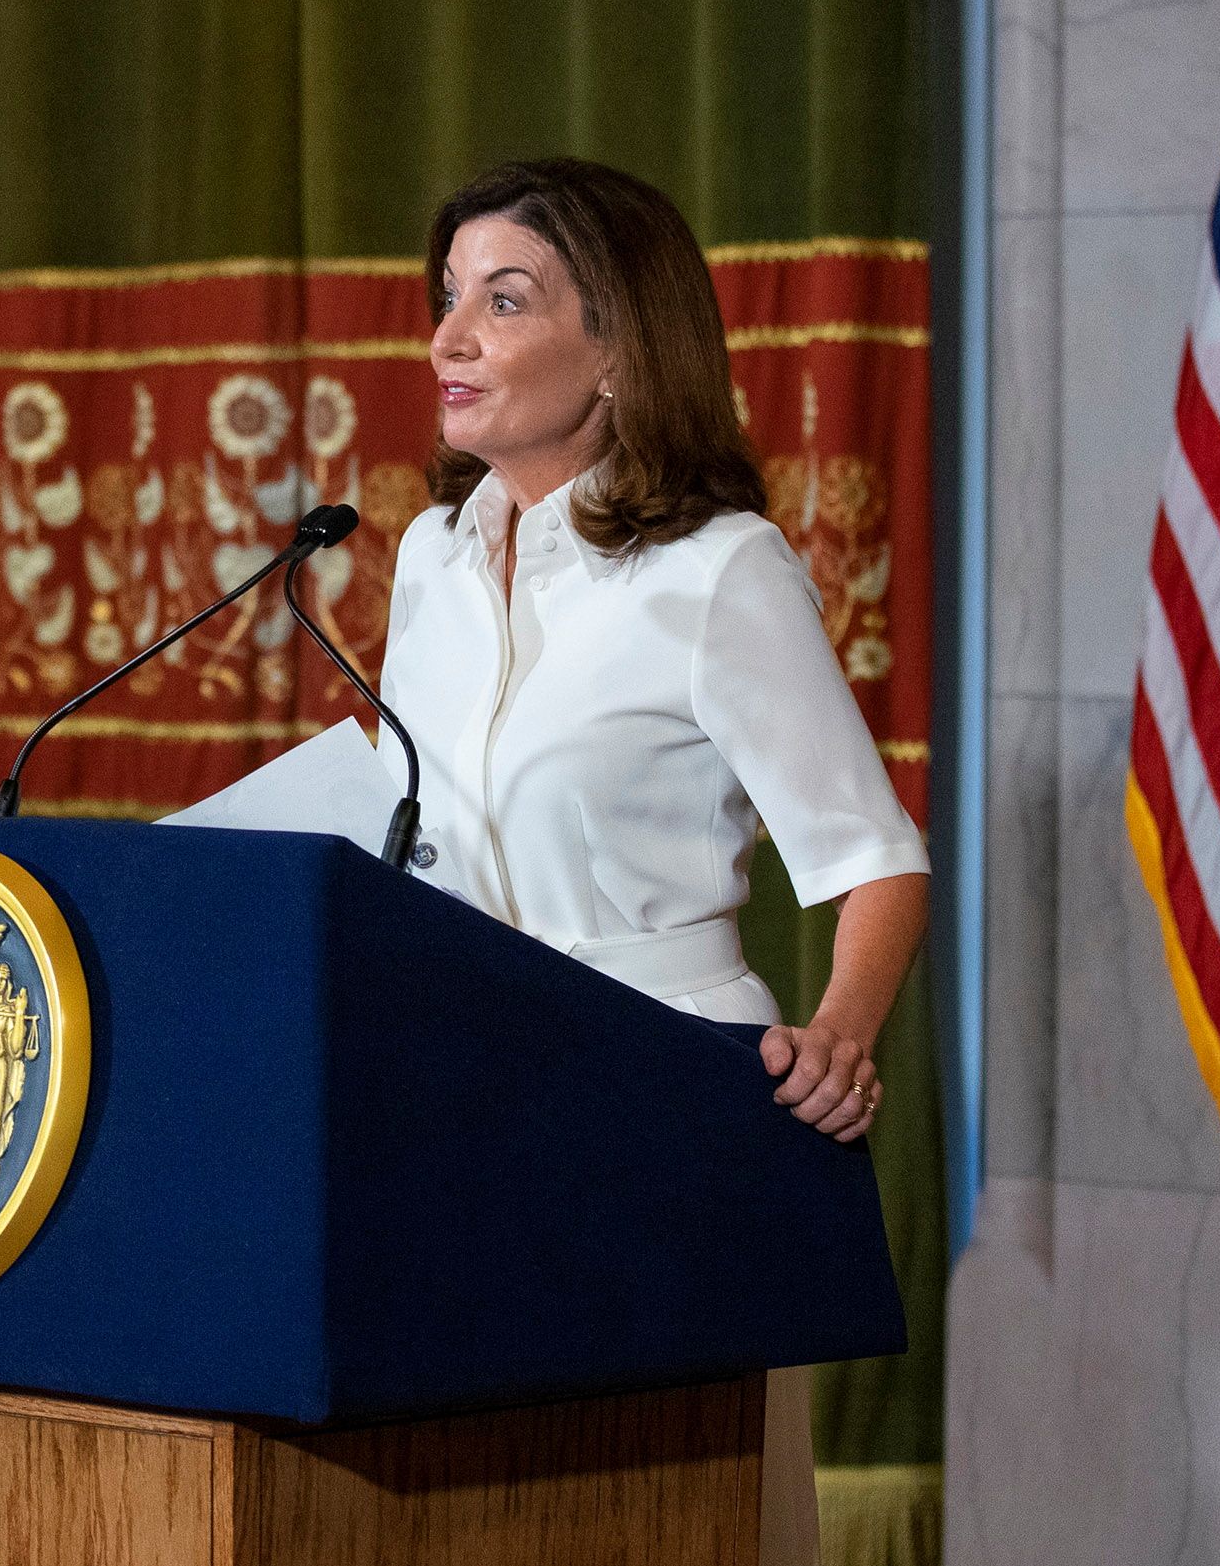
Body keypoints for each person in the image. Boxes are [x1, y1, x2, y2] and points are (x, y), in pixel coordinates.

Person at [372, 157, 929, 1566]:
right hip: (458, 1108)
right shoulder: (429, 559)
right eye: (450, 299)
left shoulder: (717, 571)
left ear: (621, 348)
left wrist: (841, 1039)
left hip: (662, 1104)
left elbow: (874, 859)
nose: (450, 338)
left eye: (503, 301)